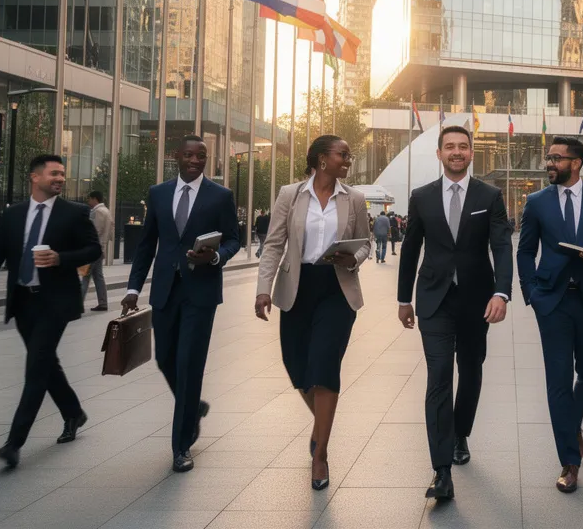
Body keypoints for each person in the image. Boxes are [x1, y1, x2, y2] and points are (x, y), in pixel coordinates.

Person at [0, 154, 102, 468]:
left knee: (36, 368)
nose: (60, 178)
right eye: (54, 173)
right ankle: (74, 413)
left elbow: (94, 250)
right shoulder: (13, 215)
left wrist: (60, 258)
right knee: (46, 363)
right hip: (23, 301)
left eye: (62, 174)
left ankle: (14, 443)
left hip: (56, 302)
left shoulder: (74, 213)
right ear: (34, 177)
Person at [398, 125, 513, 501]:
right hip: (433, 299)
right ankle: (441, 470)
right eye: (450, 147)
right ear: (439, 153)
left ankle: (461, 430)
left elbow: (502, 245)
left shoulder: (490, 195)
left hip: (476, 301)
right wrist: (403, 299)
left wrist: (502, 292)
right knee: (439, 377)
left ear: (471, 152)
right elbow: (411, 248)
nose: (457, 152)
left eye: (463, 146)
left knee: (472, 370)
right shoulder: (421, 197)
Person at [256, 135, 371, 491]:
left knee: (323, 368)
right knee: (297, 368)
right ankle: (322, 427)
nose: (347, 160)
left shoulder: (354, 198)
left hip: (337, 288)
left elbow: (365, 243)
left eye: (348, 155)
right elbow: (275, 243)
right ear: (321, 160)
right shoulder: (290, 195)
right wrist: (263, 288)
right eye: (343, 154)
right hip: (298, 288)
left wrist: (354, 256)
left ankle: (320, 455)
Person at [123, 134, 242, 473]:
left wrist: (216, 256)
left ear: (207, 159)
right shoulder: (158, 193)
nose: (195, 160)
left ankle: (181, 446)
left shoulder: (220, 196)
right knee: (164, 359)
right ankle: (193, 407)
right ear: (177, 156)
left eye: (201, 156)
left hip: (200, 293)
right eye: (189, 155)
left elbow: (233, 238)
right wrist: (133, 288)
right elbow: (147, 245)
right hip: (164, 290)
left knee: (189, 364)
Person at [517, 136, 583, 493]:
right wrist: (531, 292)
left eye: (556, 158)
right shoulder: (536, 202)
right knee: (558, 380)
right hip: (553, 303)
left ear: (576, 163)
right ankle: (569, 461)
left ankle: (571, 421)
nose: (550, 163)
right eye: (549, 157)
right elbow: (525, 251)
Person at [83, 191, 114, 312]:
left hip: (93, 249)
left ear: (94, 199)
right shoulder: (106, 211)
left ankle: (77, 304)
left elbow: (95, 231)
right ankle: (103, 303)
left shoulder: (98, 211)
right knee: (98, 276)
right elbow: (111, 232)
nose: (88, 201)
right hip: (100, 249)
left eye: (89, 199)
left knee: (85, 275)